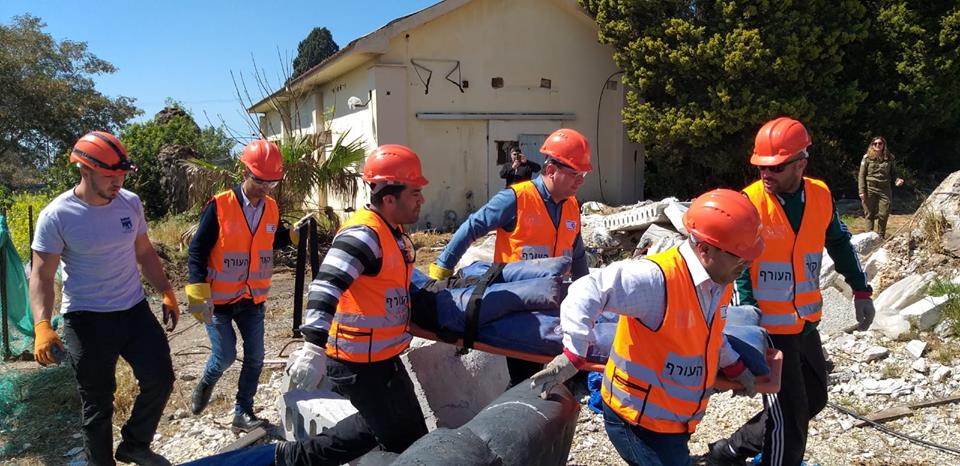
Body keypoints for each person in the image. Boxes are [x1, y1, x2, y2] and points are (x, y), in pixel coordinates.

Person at [529, 189, 765, 466]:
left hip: (673, 422)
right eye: (740, 256)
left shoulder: (718, 281)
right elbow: (587, 289)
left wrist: (736, 367)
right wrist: (573, 354)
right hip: (638, 423)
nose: (747, 264)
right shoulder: (657, 280)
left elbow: (708, 335)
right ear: (704, 249)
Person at [708, 117, 876, 466]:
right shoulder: (748, 204)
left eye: (776, 166)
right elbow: (737, 271)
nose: (766, 174)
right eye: (761, 167)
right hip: (766, 327)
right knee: (790, 418)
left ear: (801, 163)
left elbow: (841, 244)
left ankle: (731, 451)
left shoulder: (820, 196)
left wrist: (861, 290)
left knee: (814, 399)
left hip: (805, 323)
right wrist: (747, 324)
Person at [30, 131, 178, 466]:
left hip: (134, 310)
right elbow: (41, 275)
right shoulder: (57, 215)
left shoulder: (130, 202)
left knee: (160, 378)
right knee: (98, 404)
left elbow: (145, 253)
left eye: (122, 174)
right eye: (111, 175)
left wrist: (166, 290)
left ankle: (135, 445)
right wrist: (42, 323)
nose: (119, 182)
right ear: (85, 171)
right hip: (86, 319)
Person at [276, 144, 430, 465]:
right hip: (359, 365)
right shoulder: (363, 235)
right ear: (389, 199)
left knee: (391, 428)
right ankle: (290, 459)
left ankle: (290, 457)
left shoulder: (393, 232)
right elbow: (325, 286)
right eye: (415, 192)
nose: (422, 199)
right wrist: (313, 348)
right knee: (408, 441)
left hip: (382, 359)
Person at [428, 128, 593, 386]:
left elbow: (578, 253)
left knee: (557, 372)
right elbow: (472, 227)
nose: (580, 180)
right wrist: (441, 270)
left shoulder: (572, 206)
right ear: (551, 170)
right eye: (575, 174)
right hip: (517, 303)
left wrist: (587, 294)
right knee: (525, 376)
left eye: (583, 174)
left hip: (553, 302)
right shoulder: (516, 199)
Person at [186, 139, 298, 432]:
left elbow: (269, 241)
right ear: (244, 172)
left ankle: (242, 412)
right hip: (219, 299)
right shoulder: (220, 205)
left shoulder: (271, 208)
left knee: (256, 357)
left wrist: (291, 237)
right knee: (224, 356)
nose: (264, 188)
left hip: (252, 298)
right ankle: (206, 382)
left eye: (271, 182)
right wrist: (197, 289)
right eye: (260, 180)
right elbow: (197, 249)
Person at [858, 136, 904, 238]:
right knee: (869, 214)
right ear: (872, 145)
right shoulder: (866, 158)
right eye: (875, 144)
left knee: (884, 213)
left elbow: (894, 173)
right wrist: (861, 191)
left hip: (884, 189)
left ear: (884, 145)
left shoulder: (889, 158)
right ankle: (868, 237)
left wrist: (897, 180)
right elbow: (861, 175)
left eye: (880, 143)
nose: (877, 145)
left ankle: (880, 236)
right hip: (870, 188)